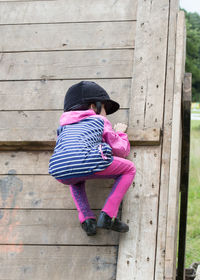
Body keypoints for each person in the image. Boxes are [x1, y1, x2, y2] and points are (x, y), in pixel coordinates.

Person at [48, 81, 136, 236]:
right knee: (129, 168)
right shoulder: (99, 121)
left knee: (74, 175)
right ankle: (108, 215)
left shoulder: (63, 127)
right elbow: (120, 150)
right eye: (104, 108)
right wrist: (121, 133)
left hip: (59, 170)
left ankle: (86, 219)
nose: (106, 114)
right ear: (93, 107)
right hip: (91, 162)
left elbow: (70, 152)